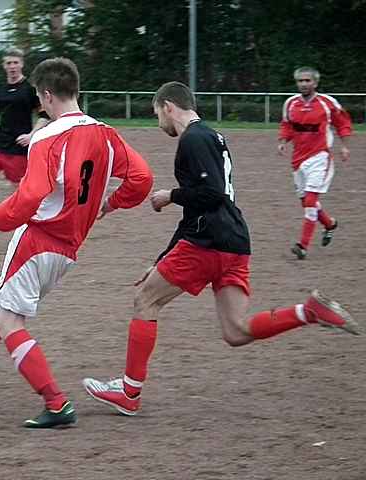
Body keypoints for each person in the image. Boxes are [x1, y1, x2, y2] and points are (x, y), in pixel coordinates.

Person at [83, 81, 359, 417]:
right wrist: (162, 259)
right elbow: (200, 208)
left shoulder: (193, 139)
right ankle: (308, 312)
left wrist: (170, 195)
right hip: (234, 240)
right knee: (235, 331)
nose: (158, 123)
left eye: (157, 113)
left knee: (146, 299)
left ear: (169, 106)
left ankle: (129, 392)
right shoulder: (213, 136)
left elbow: (210, 194)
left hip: (208, 241)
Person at [0, 57, 154, 428]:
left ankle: (56, 403)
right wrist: (110, 204)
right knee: (3, 315)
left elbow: (31, 196)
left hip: (37, 240)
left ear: (47, 95)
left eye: (39, 97)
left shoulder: (48, 135)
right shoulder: (107, 134)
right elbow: (142, 179)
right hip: (67, 251)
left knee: (7, 319)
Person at [0, 47, 51, 245]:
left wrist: (32, 135)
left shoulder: (30, 90)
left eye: (15, 62)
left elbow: (45, 114)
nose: (12, 66)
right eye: (8, 63)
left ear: (22, 64)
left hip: (19, 150)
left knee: (22, 195)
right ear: (3, 66)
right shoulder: (1, 89)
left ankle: (41, 229)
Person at [277, 66, 352, 260]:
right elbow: (287, 125)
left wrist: (344, 145)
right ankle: (329, 224)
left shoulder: (327, 103)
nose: (303, 84)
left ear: (315, 83)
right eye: (300, 81)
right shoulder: (291, 103)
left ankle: (303, 246)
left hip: (320, 157)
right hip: (298, 160)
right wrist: (283, 141)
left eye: (307, 80)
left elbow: (342, 123)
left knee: (310, 200)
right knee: (306, 202)